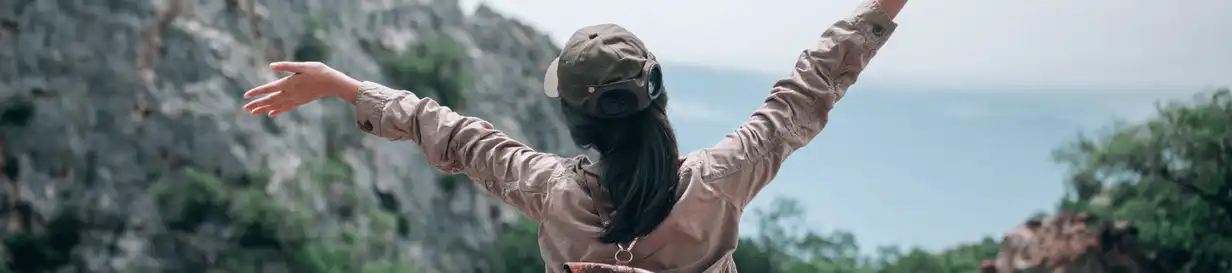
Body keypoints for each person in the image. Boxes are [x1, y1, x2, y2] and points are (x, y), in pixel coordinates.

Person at [241, 0, 906, 271]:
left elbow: (446, 130)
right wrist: (880, 10)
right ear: (658, 95)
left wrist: (339, 84)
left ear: (572, 117)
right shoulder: (720, 182)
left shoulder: (550, 192)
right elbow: (806, 92)